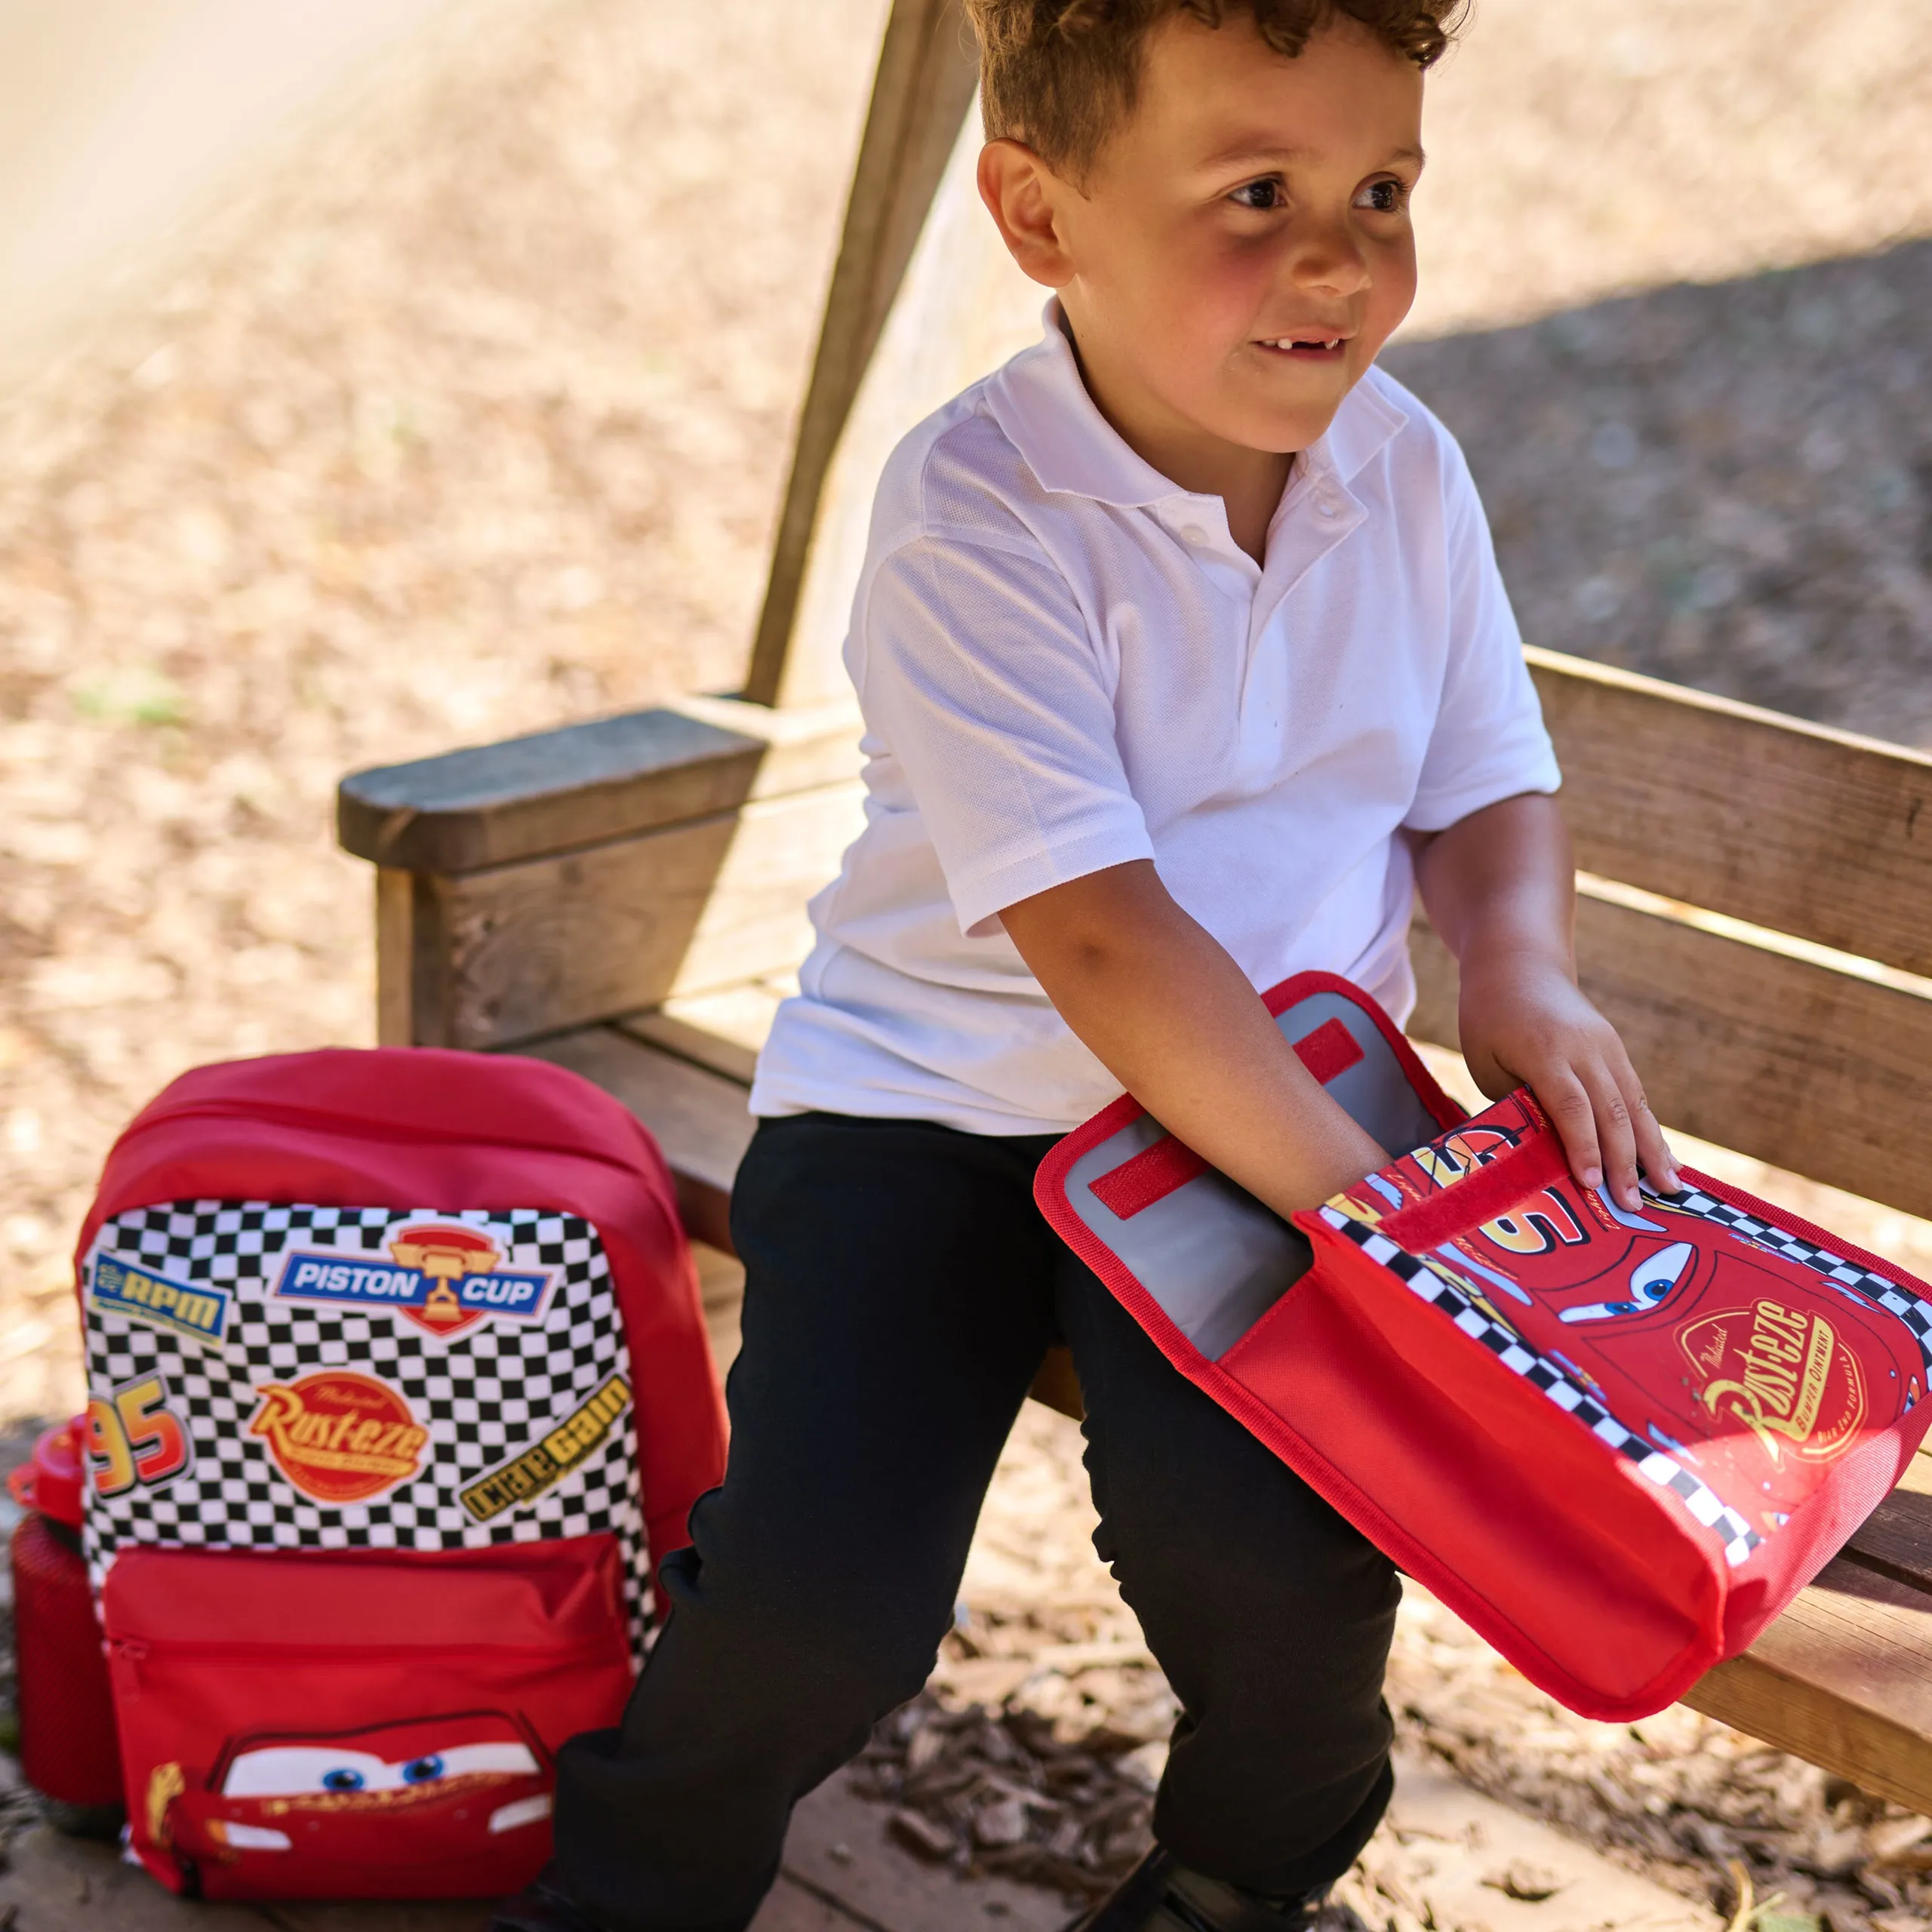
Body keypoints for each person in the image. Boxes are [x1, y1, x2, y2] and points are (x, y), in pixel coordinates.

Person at [497, 3, 1678, 1927]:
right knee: (817, 1606)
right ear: (1039, 218)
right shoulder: (978, 509)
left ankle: (1230, 1880)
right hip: (934, 1111)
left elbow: (1485, 786)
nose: (1336, 254)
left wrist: (1520, 971)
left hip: (1267, 1120)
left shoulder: (1406, 471)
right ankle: (617, 1897)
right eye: (1256, 192)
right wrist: (1367, 1213)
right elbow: (1103, 939)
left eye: (1381, 188)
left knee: (1285, 1599)